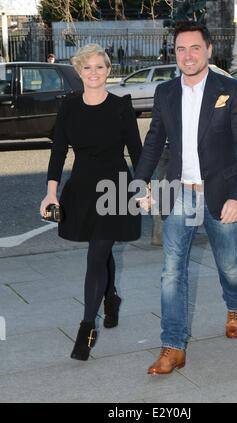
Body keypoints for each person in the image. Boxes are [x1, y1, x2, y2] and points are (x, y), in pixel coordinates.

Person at [134, 21, 237, 375]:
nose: (187, 55)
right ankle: (173, 346)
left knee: (230, 265)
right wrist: (138, 182)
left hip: (219, 193)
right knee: (171, 270)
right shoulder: (166, 92)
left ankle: (235, 305)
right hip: (180, 194)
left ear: (208, 50)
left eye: (194, 48)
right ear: (174, 53)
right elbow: (154, 141)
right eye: (180, 49)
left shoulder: (230, 90)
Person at [40, 44, 142, 361]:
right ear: (78, 71)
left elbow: (137, 153)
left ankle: (86, 327)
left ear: (109, 70)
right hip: (83, 187)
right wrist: (51, 192)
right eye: (87, 67)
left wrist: (145, 188)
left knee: (97, 252)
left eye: (100, 67)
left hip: (116, 188)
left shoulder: (121, 107)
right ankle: (110, 297)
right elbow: (58, 152)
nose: (94, 72)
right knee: (101, 250)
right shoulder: (69, 107)